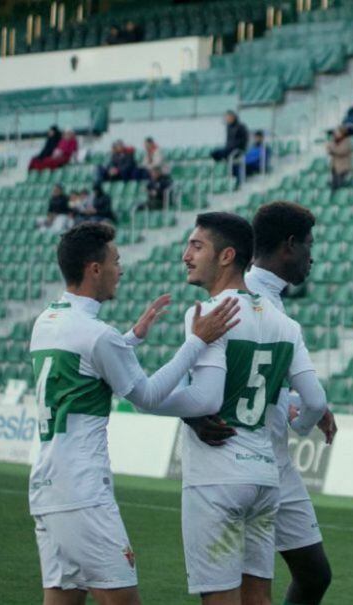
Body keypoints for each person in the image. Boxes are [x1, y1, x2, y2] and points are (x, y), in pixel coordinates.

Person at [28, 221, 239, 605]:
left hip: (46, 484)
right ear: (95, 269)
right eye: (116, 260)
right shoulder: (97, 335)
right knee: (123, 600)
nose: (120, 270)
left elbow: (85, 368)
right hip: (82, 491)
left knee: (61, 600)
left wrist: (131, 339)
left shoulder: (48, 320)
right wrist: (196, 342)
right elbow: (146, 396)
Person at [187, 202, 336, 605]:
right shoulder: (243, 296)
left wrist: (300, 403)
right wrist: (192, 416)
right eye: (308, 245)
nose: (312, 255)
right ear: (289, 246)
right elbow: (204, 373)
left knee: (314, 573)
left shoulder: (272, 302)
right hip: (246, 456)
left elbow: (262, 375)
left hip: (273, 463)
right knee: (246, 588)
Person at [327, 125, 353, 191]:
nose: (335, 134)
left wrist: (332, 147)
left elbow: (341, 151)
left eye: (337, 132)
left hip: (343, 168)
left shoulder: (347, 141)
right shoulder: (335, 141)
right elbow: (329, 150)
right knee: (334, 187)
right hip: (335, 168)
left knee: (340, 187)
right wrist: (332, 147)